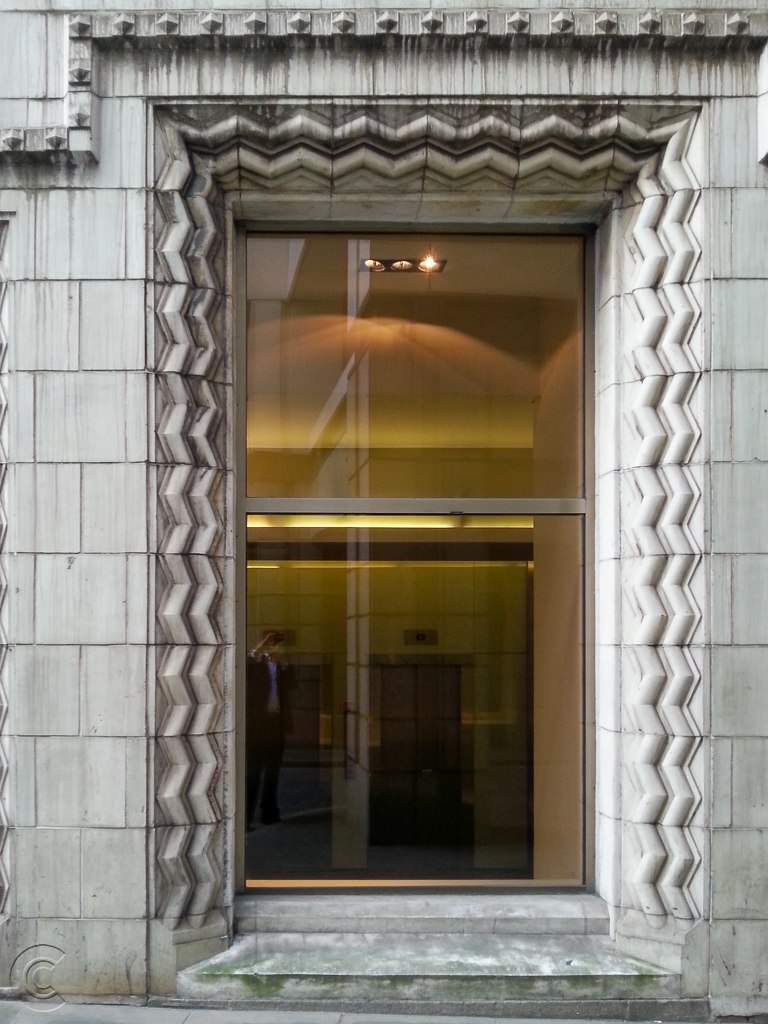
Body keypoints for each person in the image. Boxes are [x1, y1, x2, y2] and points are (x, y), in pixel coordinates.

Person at [246, 632, 294, 827]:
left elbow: (293, 685)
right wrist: (258, 649)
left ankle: (269, 812)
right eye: (270, 643)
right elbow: (244, 671)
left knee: (273, 772)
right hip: (257, 726)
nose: (273, 646)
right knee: (253, 772)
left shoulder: (282, 666)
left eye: (275, 643)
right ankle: (246, 816)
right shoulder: (256, 663)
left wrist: (284, 661)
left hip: (276, 724)